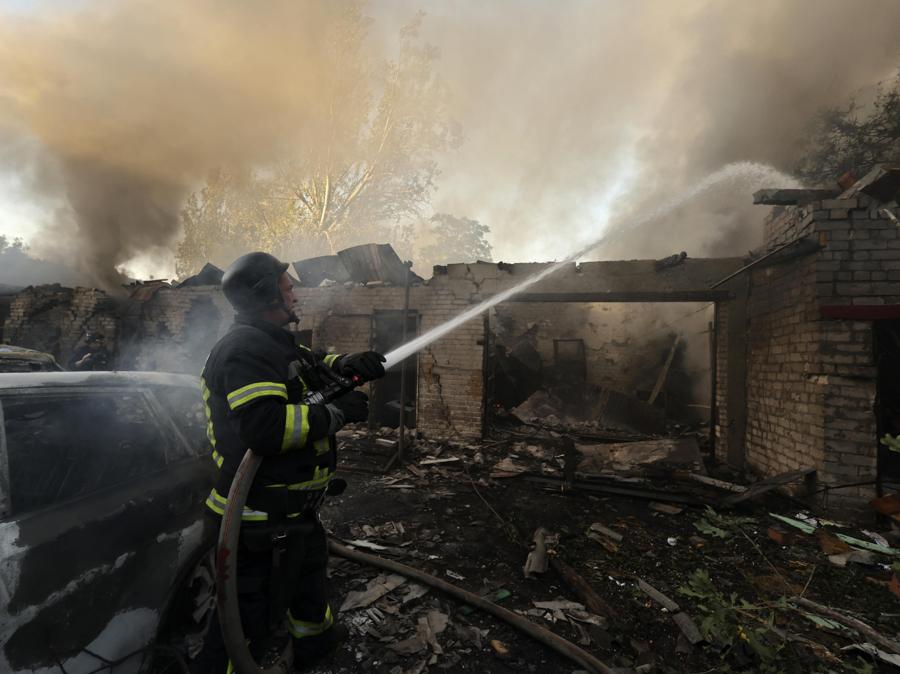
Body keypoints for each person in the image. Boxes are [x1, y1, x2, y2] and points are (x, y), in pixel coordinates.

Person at [194, 252, 385, 672]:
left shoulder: (273, 342)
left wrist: (348, 364)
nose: (295, 295)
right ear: (266, 296)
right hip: (255, 520)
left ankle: (315, 646)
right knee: (243, 623)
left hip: (291, 515)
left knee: (307, 590)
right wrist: (337, 414)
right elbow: (264, 429)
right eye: (288, 288)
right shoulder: (245, 350)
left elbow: (309, 368)